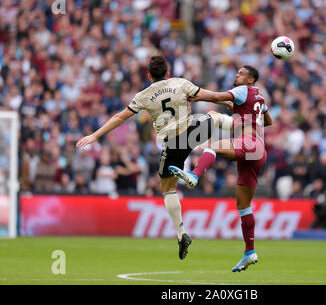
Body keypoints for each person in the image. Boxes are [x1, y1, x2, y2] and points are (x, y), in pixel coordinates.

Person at [76, 55, 229, 260]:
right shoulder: (179, 83)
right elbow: (213, 97)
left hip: (173, 143)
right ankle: (246, 126)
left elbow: (119, 117)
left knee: (167, 189)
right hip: (192, 131)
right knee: (216, 117)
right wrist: (230, 100)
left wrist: (94, 135)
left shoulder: (143, 95)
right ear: (167, 73)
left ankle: (181, 234)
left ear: (149, 75)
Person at [168, 65, 272, 272]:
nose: (237, 74)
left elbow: (216, 96)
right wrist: (236, 109)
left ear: (250, 79)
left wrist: (195, 97)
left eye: (241, 73)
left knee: (213, 147)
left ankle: (194, 176)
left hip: (249, 143)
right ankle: (249, 252)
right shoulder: (259, 98)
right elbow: (267, 121)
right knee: (243, 206)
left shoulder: (243, 90)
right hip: (258, 151)